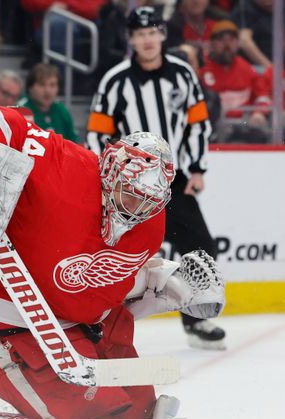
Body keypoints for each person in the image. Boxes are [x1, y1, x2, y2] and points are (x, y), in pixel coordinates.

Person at [0, 105, 186, 419]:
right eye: (131, 192)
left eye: (148, 199)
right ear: (112, 170)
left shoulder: (150, 220)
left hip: (87, 330)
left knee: (142, 415)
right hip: (16, 330)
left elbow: (95, 284)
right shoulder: (61, 166)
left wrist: (152, 283)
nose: (137, 207)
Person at [86, 6, 227, 350]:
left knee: (200, 248)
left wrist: (197, 169)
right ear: (131, 39)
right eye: (140, 34)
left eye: (153, 33)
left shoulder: (183, 74)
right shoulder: (115, 81)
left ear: (163, 35)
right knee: (110, 256)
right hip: (129, 190)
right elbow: (97, 136)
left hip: (174, 183)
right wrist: (107, 182)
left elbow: (198, 124)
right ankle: (93, 321)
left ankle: (196, 321)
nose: (147, 40)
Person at [198, 19, 269, 140]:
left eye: (231, 40)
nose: (227, 45)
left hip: (244, 124)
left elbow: (262, 96)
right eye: (221, 40)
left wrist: (259, 112)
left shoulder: (248, 69)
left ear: (237, 43)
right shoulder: (202, 71)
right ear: (211, 43)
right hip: (213, 126)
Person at [17, 63, 78, 142]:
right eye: (42, 85)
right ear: (30, 88)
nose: (47, 91)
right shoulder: (21, 110)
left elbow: (74, 143)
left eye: (52, 85)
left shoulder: (61, 109)